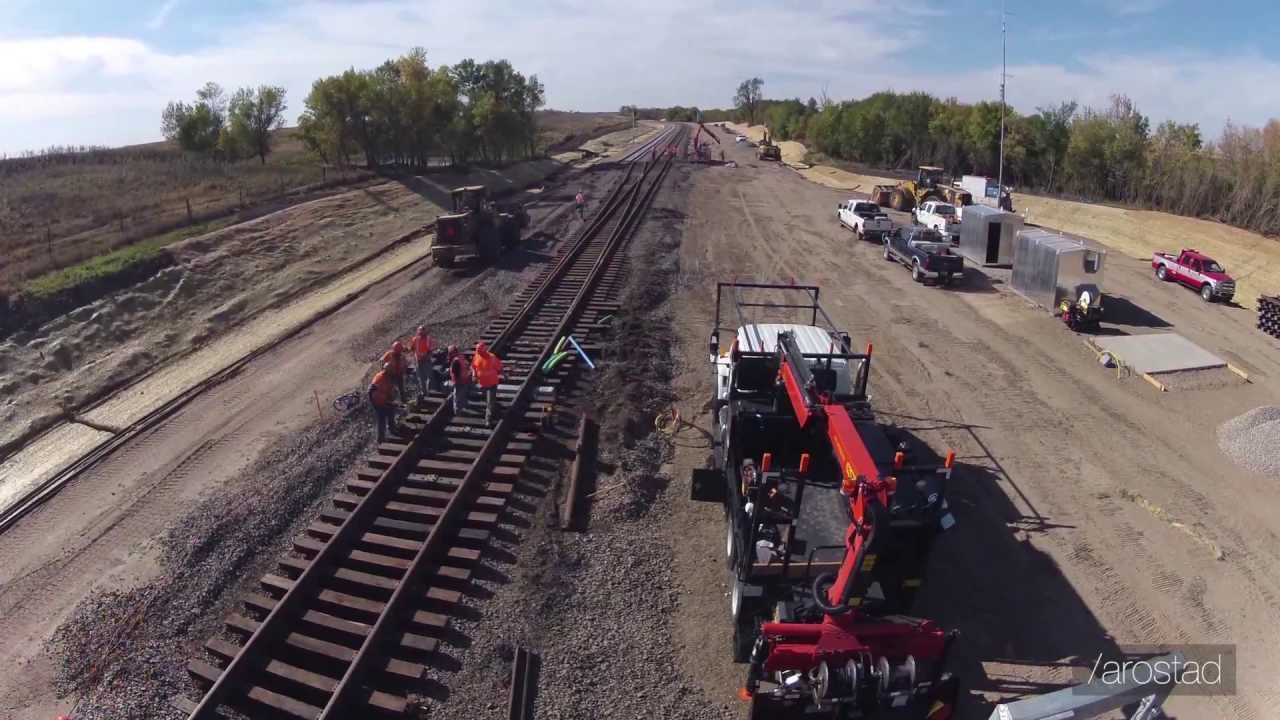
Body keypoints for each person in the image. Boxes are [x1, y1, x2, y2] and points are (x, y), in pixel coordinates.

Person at [471, 341, 503, 426]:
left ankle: (488, 420)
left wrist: (504, 375)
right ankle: (495, 409)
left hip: (492, 383)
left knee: (489, 402)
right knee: (489, 400)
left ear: (484, 350)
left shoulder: (492, 358)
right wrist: (474, 375)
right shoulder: (477, 356)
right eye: (478, 351)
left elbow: (499, 368)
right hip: (482, 383)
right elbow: (473, 366)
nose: (479, 353)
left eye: (480, 351)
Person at [368, 362, 395, 442]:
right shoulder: (380, 379)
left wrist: (391, 399)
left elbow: (389, 388)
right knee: (382, 417)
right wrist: (386, 401)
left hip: (382, 396)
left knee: (391, 410)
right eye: (391, 370)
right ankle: (381, 438)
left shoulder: (388, 377)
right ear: (387, 370)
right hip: (376, 399)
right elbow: (376, 394)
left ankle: (392, 429)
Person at [410, 326, 436, 398]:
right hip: (418, 361)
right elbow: (412, 348)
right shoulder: (415, 339)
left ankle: (430, 391)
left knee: (429, 376)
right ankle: (424, 392)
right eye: (420, 331)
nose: (421, 333)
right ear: (418, 332)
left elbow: (431, 351)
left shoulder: (428, 339)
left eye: (422, 331)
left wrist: (426, 357)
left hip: (426, 361)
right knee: (420, 378)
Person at [448, 345, 471, 415]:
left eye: (450, 353)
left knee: (457, 396)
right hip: (465, 379)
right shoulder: (461, 357)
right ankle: (463, 407)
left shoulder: (455, 361)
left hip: (459, 381)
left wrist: (455, 380)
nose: (449, 354)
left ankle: (457, 411)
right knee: (463, 394)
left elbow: (455, 372)